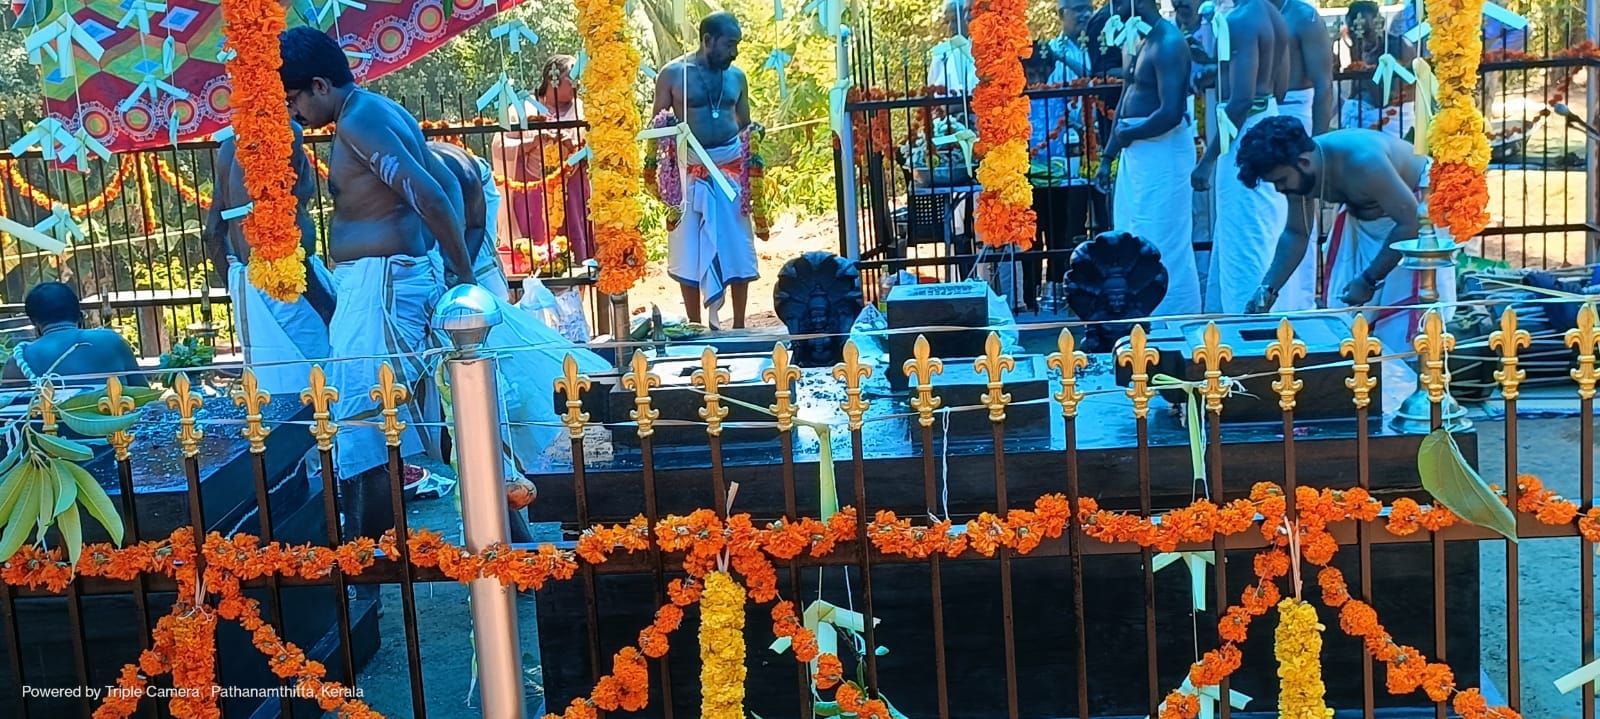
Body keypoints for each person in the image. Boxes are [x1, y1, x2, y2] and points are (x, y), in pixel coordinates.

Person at [279, 26, 475, 541]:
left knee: (366, 420)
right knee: (436, 413)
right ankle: (507, 531)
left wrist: (463, 274)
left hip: (382, 284)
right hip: (387, 279)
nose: (293, 112)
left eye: (294, 98)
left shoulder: (360, 122)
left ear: (320, 85)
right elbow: (448, 183)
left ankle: (373, 560)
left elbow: (431, 195)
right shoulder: (376, 109)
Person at [1235, 117, 1453, 352]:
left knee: (1403, 333)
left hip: (1415, 221)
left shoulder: (1364, 161)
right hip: (1363, 222)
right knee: (1347, 326)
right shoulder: (1297, 171)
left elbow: (1409, 223)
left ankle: (1412, 384)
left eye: (1280, 181)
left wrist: (1368, 280)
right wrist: (1267, 291)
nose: (1279, 189)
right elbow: (1297, 233)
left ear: (1304, 162)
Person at [202, 121, 336, 397]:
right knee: (320, 382)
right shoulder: (287, 132)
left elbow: (212, 231)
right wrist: (326, 306)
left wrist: (236, 284)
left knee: (272, 387)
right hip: (288, 283)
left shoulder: (229, 146)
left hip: (247, 279)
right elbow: (285, 223)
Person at [652, 12, 763, 329]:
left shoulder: (737, 77)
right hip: (689, 172)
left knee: (737, 247)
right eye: (730, 45)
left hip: (729, 171)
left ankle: (739, 325)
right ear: (708, 40)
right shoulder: (673, 75)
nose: (735, 52)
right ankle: (695, 325)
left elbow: (744, 124)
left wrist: (755, 132)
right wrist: (667, 127)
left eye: (737, 45)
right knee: (688, 249)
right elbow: (656, 125)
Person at [1092, 0, 1200, 316]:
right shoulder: (1136, 38)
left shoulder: (1169, 42)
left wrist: (1131, 134)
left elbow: (1172, 112)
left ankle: (1176, 320)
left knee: (1163, 239)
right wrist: (1108, 155)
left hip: (1163, 154)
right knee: (1132, 235)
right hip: (1135, 155)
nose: (1112, 5)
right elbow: (1126, 98)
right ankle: (1141, 320)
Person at [1190, 0, 1292, 314]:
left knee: (1247, 236)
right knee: (1254, 229)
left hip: (1244, 134)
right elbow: (1280, 88)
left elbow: (1241, 101)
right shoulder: (1272, 13)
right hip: (1265, 123)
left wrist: (1207, 161)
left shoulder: (1241, 19)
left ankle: (1250, 330)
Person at [1, 282, 145, 388]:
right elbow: (145, 396)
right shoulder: (111, 340)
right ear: (80, 316)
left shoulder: (19, 360)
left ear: (34, 323)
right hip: (116, 427)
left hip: (47, 429)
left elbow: (8, 415)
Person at [429, 141, 511, 299]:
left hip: (477, 177)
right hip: (436, 183)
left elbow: (476, 227)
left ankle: (497, 302)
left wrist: (464, 274)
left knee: (481, 259)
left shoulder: (468, 180)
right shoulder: (406, 182)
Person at [1342, 1, 1416, 138]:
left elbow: (1384, 100)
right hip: (1361, 112)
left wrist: (1366, 72)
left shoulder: (1399, 47)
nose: (1362, 39)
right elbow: (1354, 92)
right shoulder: (1356, 48)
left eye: (1367, 32)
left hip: (1391, 117)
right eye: (1356, 32)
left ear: (1379, 23)